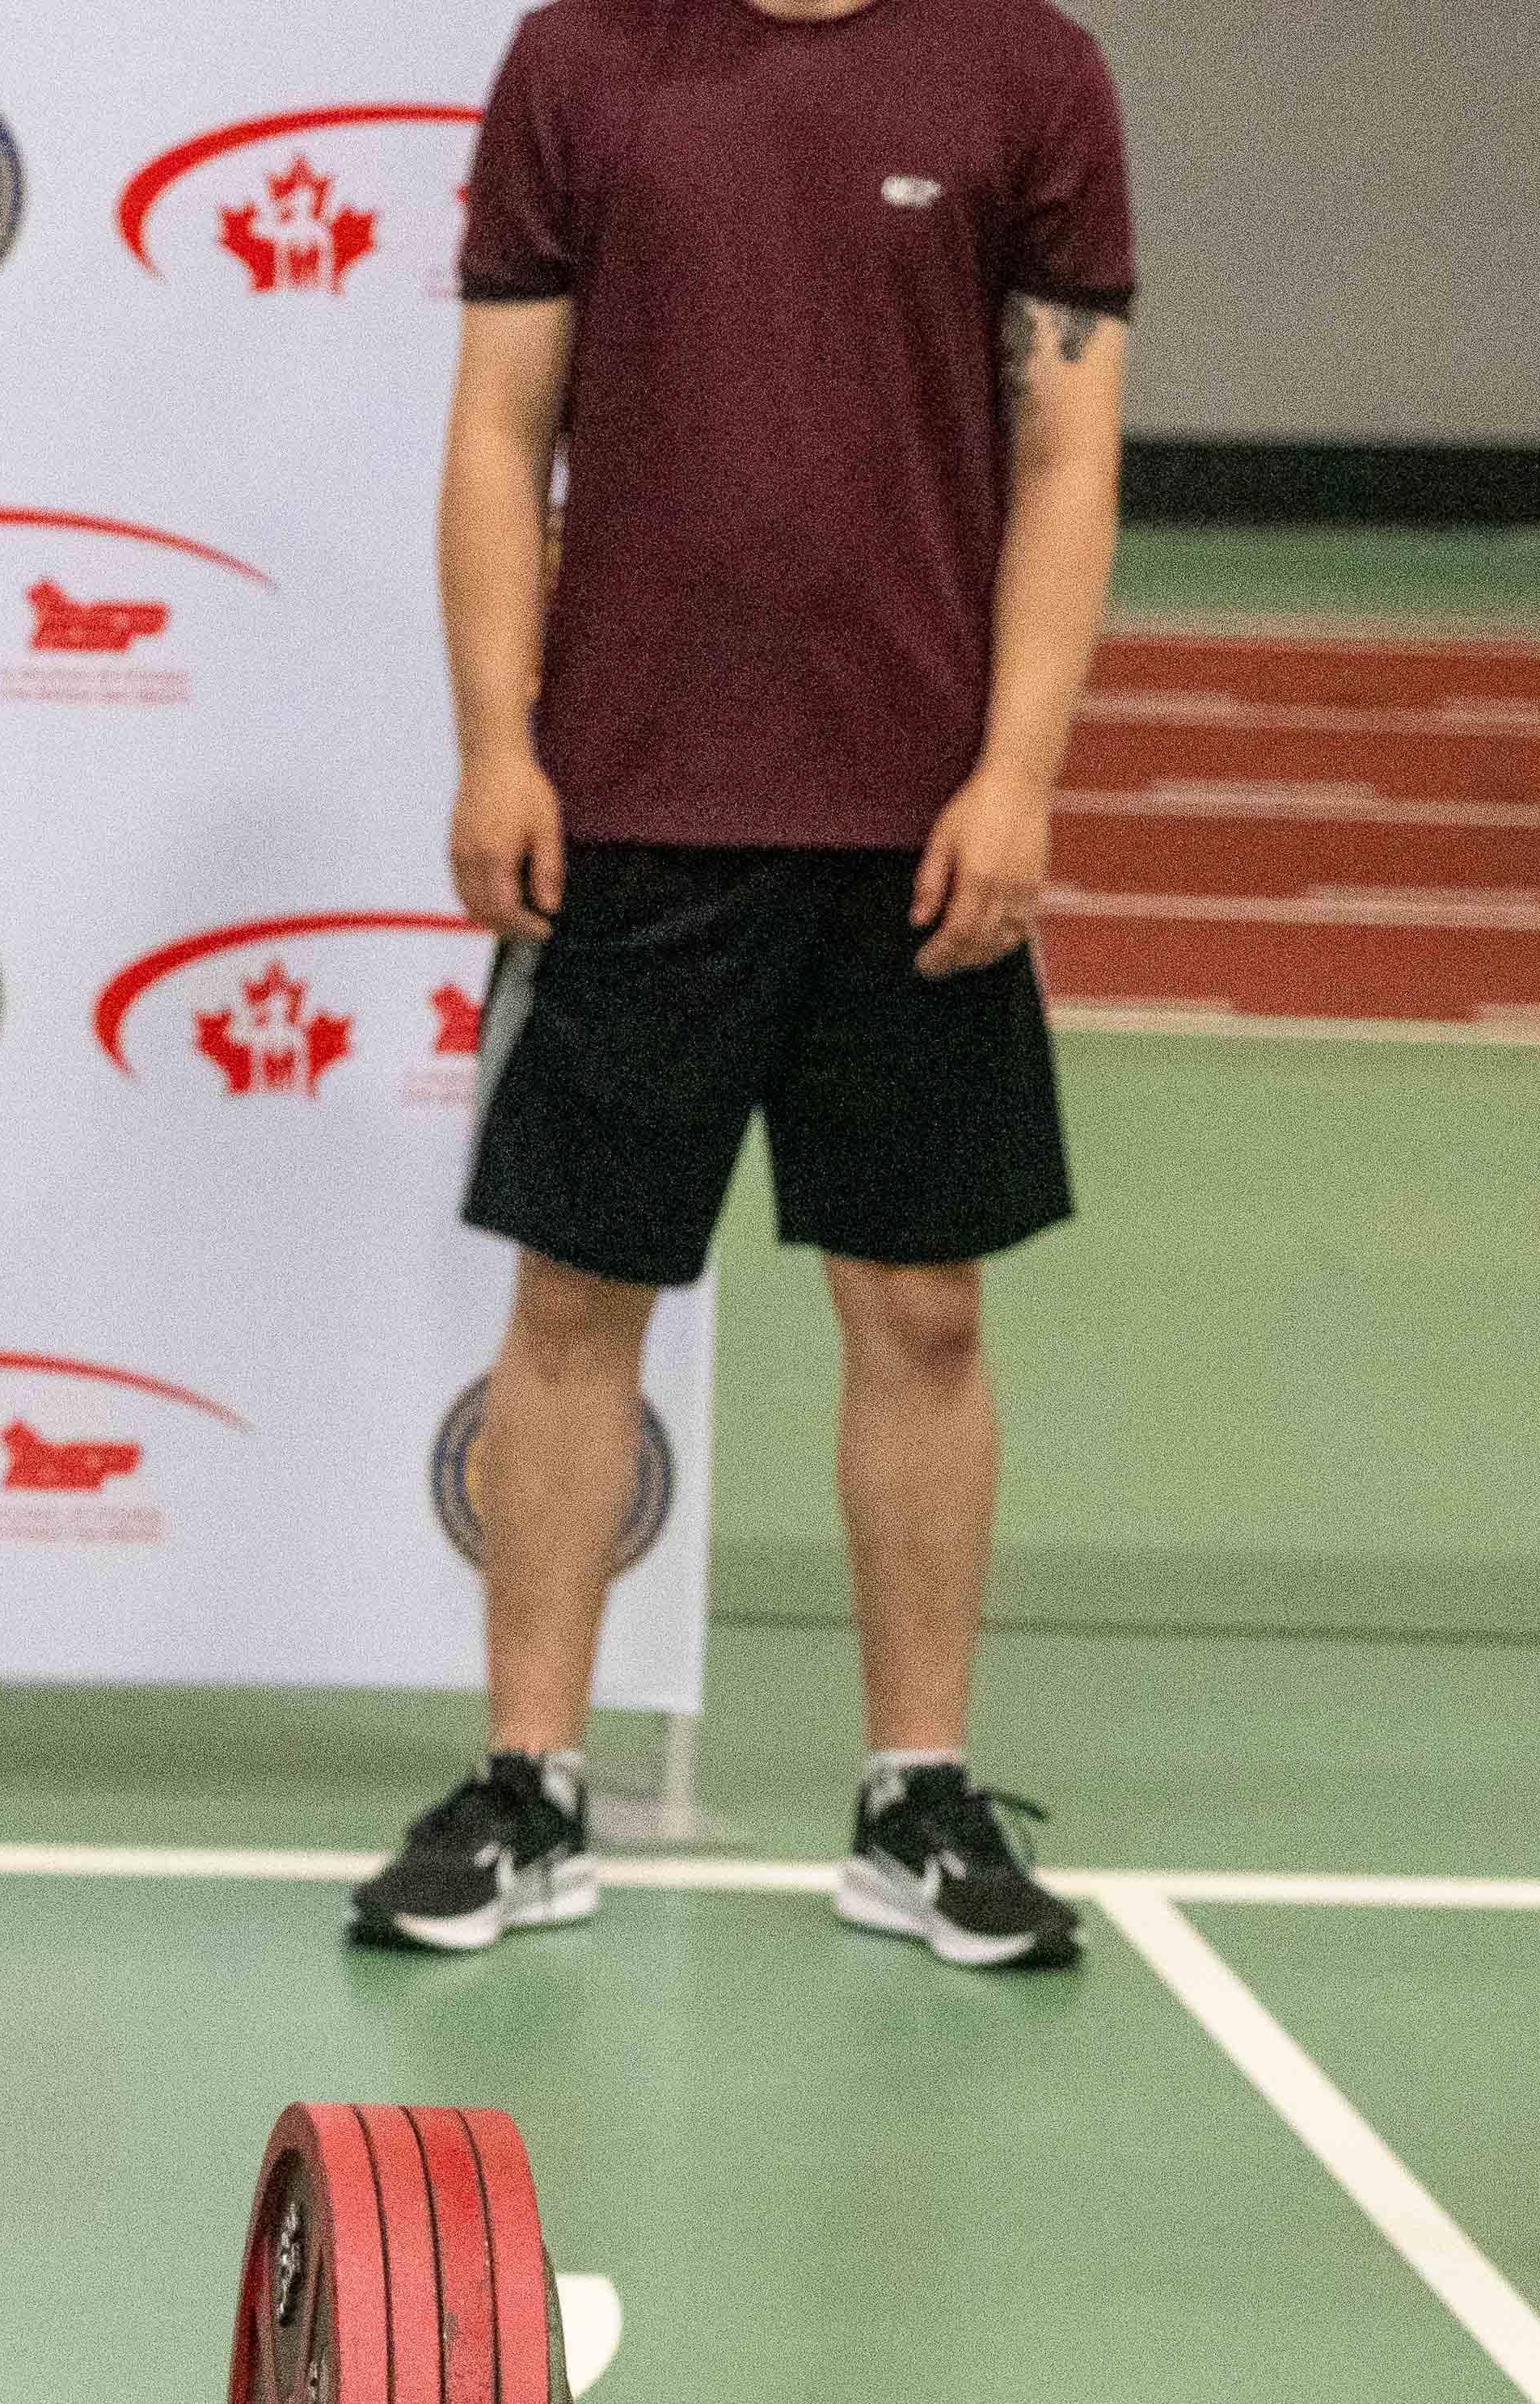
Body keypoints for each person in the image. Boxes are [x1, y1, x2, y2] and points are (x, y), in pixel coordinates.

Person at [357, 0, 1131, 1971]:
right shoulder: (578, 62)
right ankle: (528, 1785)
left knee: (924, 1312)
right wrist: (493, 743)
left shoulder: (1028, 73)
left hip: (914, 825)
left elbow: (1066, 451)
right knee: (571, 1304)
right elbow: (497, 429)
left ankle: (917, 1798)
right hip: (629, 810)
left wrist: (1018, 773)